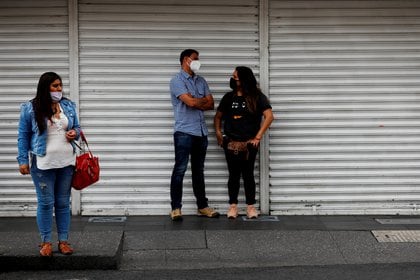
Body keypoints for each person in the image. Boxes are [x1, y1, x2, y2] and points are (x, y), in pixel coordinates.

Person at [17, 72, 81, 257]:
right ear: (45, 87)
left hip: (67, 162)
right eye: (54, 86)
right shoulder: (30, 108)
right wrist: (22, 160)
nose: (58, 89)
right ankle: (45, 242)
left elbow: (77, 128)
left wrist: (74, 133)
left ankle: (63, 241)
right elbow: (23, 136)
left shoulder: (68, 105)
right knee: (46, 203)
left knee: (62, 203)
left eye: (60, 85)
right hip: (43, 163)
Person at [214, 66, 274, 219]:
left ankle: (250, 207)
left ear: (244, 79)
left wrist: (258, 137)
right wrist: (219, 133)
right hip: (231, 143)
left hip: (249, 144)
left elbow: (269, 116)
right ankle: (233, 207)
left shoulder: (257, 97)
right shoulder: (228, 97)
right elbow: (218, 117)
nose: (234, 79)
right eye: (233, 77)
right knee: (233, 175)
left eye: (237, 77)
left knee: (248, 175)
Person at [169, 49, 220, 221]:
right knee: (180, 169)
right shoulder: (176, 81)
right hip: (184, 131)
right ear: (186, 60)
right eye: (195, 59)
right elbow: (189, 102)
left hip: (200, 132)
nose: (198, 62)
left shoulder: (201, 81)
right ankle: (176, 208)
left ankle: (202, 206)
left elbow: (211, 104)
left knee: (199, 171)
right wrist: (198, 101)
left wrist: (195, 101)